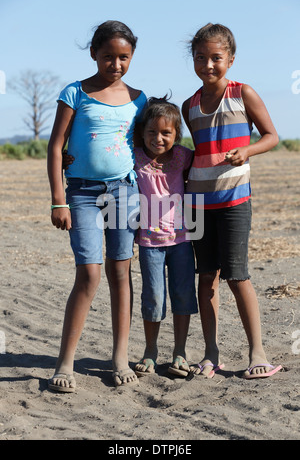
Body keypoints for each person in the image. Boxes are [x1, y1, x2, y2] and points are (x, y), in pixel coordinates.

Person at [47, 20, 147, 391]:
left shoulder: (139, 98)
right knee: (88, 274)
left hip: (124, 192)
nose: (116, 64)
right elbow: (56, 146)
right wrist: (59, 200)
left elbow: (148, 146)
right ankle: (65, 363)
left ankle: (120, 357)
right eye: (108, 56)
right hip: (82, 194)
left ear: (132, 57)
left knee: (120, 272)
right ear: (94, 54)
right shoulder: (74, 92)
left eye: (124, 57)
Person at [182, 23, 282, 379]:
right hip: (197, 203)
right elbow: (199, 154)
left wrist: (248, 150)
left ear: (231, 60)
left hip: (234, 201)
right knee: (206, 277)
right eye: (200, 58)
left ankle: (258, 353)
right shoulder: (189, 105)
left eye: (216, 58)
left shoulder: (243, 94)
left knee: (237, 277)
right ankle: (210, 354)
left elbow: (271, 136)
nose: (207, 64)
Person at [134, 96, 198, 378]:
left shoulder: (184, 156)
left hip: (182, 240)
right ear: (142, 132)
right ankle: (150, 351)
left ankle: (180, 352)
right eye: (152, 132)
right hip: (150, 244)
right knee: (155, 296)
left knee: (183, 294)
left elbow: (208, 159)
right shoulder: (135, 156)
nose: (158, 138)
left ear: (176, 134)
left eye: (166, 133)